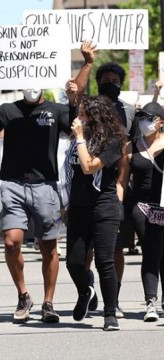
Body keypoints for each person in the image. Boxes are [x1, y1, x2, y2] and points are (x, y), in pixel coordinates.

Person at [0, 78, 79, 324]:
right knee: (12, 242)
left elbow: (74, 126)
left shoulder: (57, 110)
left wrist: (74, 99)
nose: (31, 86)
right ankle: (23, 296)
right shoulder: (7, 110)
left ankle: (48, 302)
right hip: (13, 183)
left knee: (48, 246)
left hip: (45, 185)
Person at [65, 95, 126, 331]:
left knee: (104, 261)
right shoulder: (76, 141)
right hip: (79, 207)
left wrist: (80, 138)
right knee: (73, 262)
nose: (78, 118)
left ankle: (109, 313)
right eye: (78, 113)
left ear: (96, 116)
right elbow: (69, 172)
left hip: (104, 206)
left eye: (82, 114)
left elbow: (89, 167)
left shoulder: (112, 141)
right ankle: (84, 291)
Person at [117, 102, 164, 322]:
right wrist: (117, 207)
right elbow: (122, 182)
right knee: (151, 250)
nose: (144, 120)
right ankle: (151, 302)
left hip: (163, 205)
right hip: (142, 207)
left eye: (150, 117)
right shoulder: (130, 147)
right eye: (142, 116)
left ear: (161, 122)